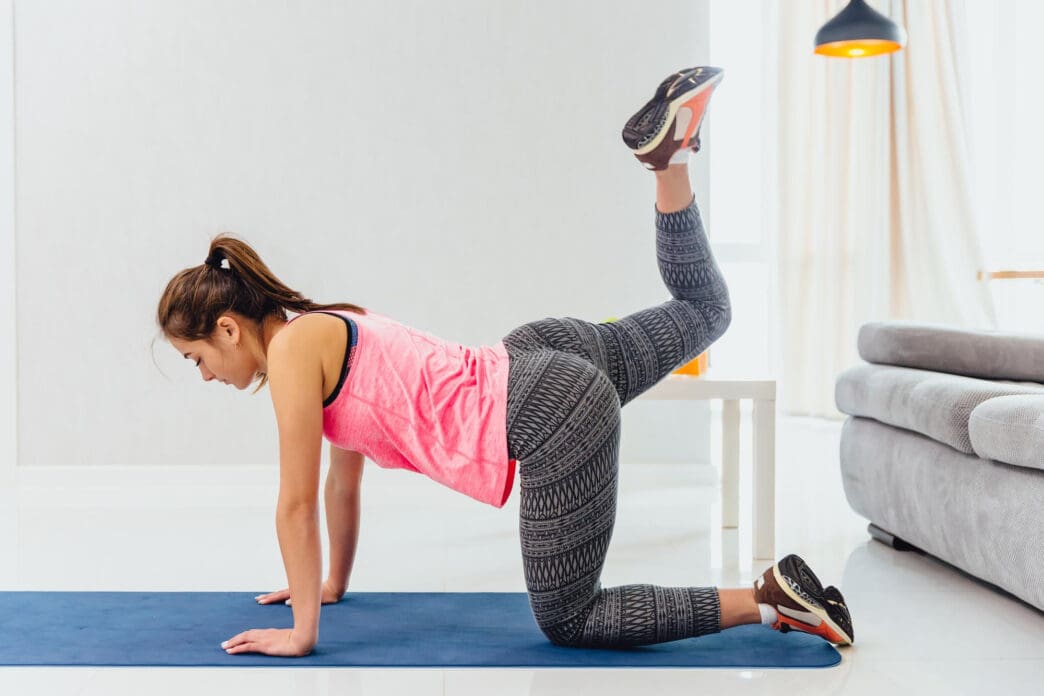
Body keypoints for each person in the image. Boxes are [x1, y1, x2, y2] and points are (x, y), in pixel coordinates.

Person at [158, 66, 853, 658]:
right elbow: (341, 485)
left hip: (546, 409)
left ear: (227, 329)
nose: (206, 376)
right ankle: (667, 161)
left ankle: (768, 599)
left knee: (570, 618)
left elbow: (296, 504)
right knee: (707, 311)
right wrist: (331, 586)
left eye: (196, 359)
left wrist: (301, 633)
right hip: (538, 353)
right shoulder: (326, 324)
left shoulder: (287, 358)